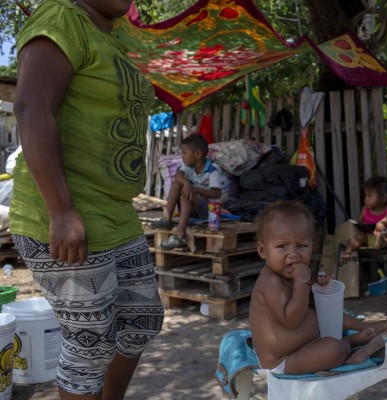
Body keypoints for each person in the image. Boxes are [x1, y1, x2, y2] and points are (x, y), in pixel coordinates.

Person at [10, 0, 164, 399]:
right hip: (65, 209)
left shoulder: (117, 35)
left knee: (140, 321)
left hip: (115, 211)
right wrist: (61, 209)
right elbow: (31, 107)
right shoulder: (63, 17)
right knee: (90, 341)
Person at [249, 200, 387, 375]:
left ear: (313, 245)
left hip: (305, 345)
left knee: (333, 314)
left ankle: (365, 327)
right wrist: (302, 282)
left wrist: (318, 288)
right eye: (282, 246)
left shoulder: (292, 275)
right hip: (283, 361)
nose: (293, 253)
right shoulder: (270, 281)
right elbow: (292, 320)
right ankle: (351, 342)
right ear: (263, 251)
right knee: (334, 350)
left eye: (302, 246)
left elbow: (307, 304)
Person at [151, 134, 226, 250]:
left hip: (209, 211)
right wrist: (187, 183)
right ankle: (167, 219)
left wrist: (195, 189)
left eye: (184, 153)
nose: (182, 156)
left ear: (197, 154)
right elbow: (178, 175)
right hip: (190, 208)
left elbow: (217, 194)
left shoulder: (212, 170)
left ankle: (180, 234)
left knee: (187, 192)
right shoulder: (188, 167)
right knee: (178, 183)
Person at [340, 176, 387, 261]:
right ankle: (348, 251)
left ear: (383, 198)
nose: (366, 199)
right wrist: (359, 226)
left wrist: (382, 224)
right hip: (369, 238)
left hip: (385, 235)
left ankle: (383, 243)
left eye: (370, 196)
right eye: (366, 195)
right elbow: (360, 221)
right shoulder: (365, 209)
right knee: (358, 236)